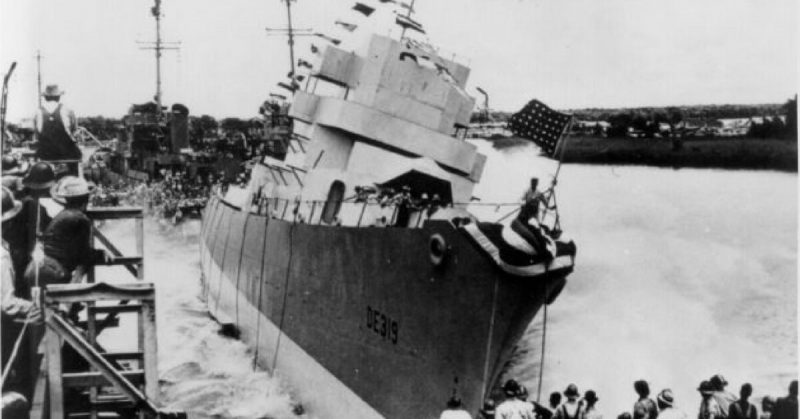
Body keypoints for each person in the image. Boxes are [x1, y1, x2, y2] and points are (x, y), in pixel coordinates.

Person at [24, 176, 108, 288]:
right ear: (86, 200)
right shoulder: (80, 219)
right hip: (53, 272)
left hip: (37, 267)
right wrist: (101, 254)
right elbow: (84, 254)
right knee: (65, 300)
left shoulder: (63, 215)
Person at [33, 84, 82, 162]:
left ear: (45, 98)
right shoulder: (68, 110)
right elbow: (74, 131)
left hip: (46, 154)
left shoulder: (38, 112)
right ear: (58, 97)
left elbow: (37, 135)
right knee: (78, 155)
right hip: (67, 153)